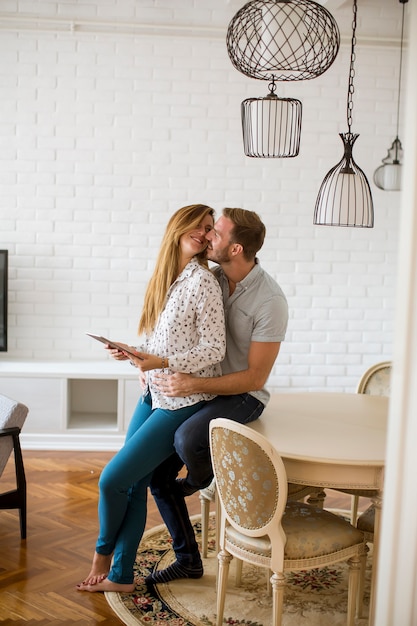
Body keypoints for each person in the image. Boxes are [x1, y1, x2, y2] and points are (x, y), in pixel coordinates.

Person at [77, 204, 226, 593]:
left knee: (112, 479)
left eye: (210, 228)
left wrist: (161, 360)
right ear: (179, 226)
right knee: (134, 482)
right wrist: (135, 353)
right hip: (152, 392)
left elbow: (214, 349)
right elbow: (164, 345)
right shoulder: (167, 278)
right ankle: (122, 577)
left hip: (180, 400)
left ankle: (102, 554)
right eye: (200, 224)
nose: (205, 232)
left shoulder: (202, 282)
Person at [146, 207, 289, 584]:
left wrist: (192, 384)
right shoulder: (208, 278)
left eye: (217, 233)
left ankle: (200, 481)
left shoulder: (270, 301)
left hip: (243, 393)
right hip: (203, 388)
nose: (208, 237)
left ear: (237, 248)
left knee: (187, 438)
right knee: (157, 478)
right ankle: (189, 560)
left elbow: (255, 376)